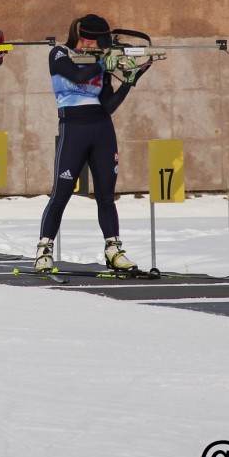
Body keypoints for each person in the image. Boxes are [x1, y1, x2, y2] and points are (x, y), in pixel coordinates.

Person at [35, 14, 149, 272]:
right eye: (97, 43)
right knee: (61, 193)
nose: (100, 48)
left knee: (106, 195)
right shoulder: (59, 53)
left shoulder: (101, 62)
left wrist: (129, 81)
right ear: (85, 38)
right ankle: (44, 249)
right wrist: (102, 65)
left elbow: (107, 106)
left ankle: (113, 249)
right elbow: (76, 76)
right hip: (73, 129)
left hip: (101, 129)